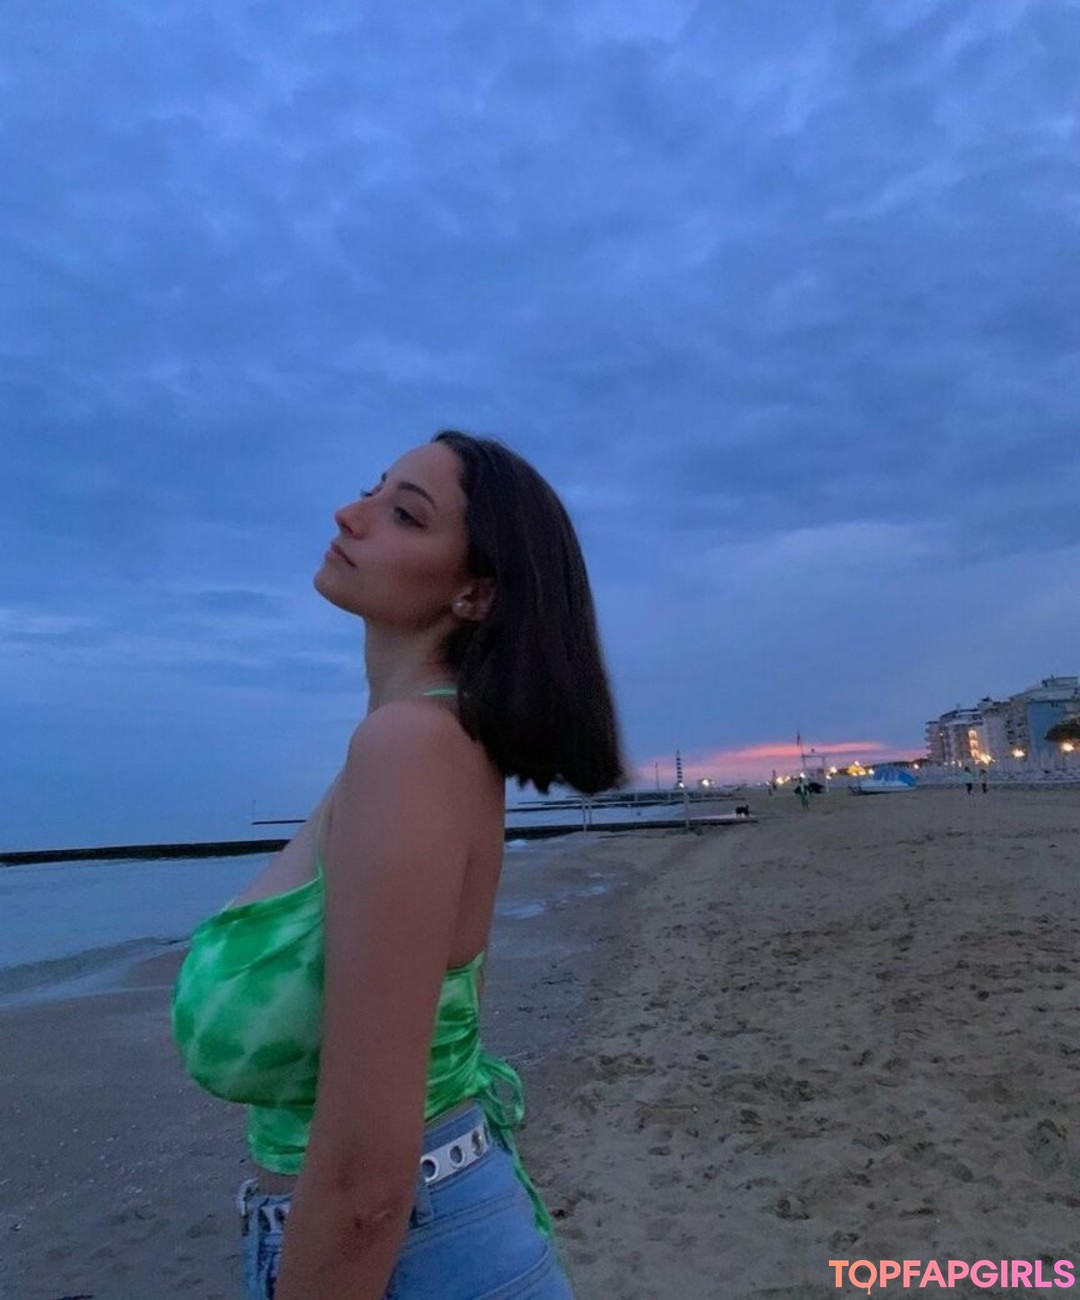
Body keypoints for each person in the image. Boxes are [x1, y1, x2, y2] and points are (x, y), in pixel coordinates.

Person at [171, 431, 632, 1299]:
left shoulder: (410, 749)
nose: (351, 514)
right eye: (371, 490)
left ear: (475, 592)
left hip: (411, 1257)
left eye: (404, 514)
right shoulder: (428, 741)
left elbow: (365, 1185)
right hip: (435, 1230)